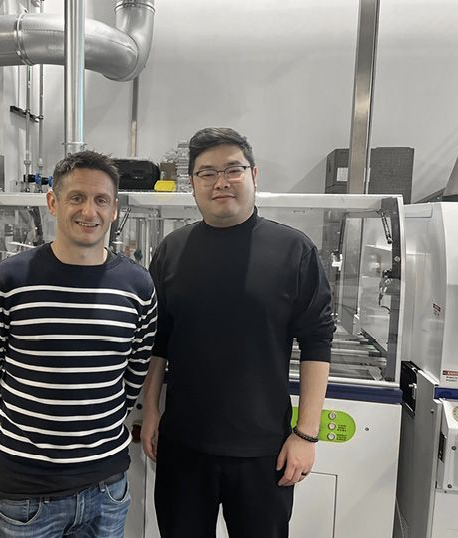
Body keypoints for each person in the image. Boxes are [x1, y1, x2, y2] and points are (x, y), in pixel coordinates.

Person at [140, 127, 335, 538]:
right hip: (183, 447)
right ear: (192, 183)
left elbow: (317, 342)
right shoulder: (172, 250)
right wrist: (152, 410)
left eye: (233, 169)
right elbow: (159, 341)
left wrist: (306, 434)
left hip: (264, 452)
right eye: (207, 173)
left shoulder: (293, 250)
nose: (221, 182)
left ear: (253, 174)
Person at [0, 150, 157, 538]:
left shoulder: (138, 286)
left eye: (101, 200)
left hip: (107, 486)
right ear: (53, 202)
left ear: (114, 209)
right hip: (28, 491)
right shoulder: (8, 281)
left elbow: (134, 373)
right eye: (77, 198)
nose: (89, 211)